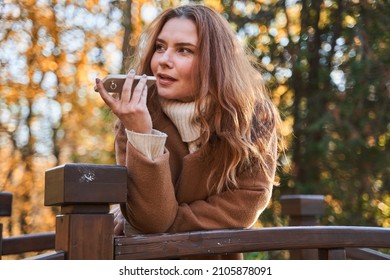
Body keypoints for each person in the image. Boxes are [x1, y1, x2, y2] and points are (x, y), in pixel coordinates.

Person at [94, 4, 282, 260]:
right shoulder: (136, 114)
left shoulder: (252, 118)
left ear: (215, 61)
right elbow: (151, 219)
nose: (163, 60)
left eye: (184, 50)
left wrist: (170, 221)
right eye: (160, 47)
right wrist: (142, 133)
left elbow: (246, 205)